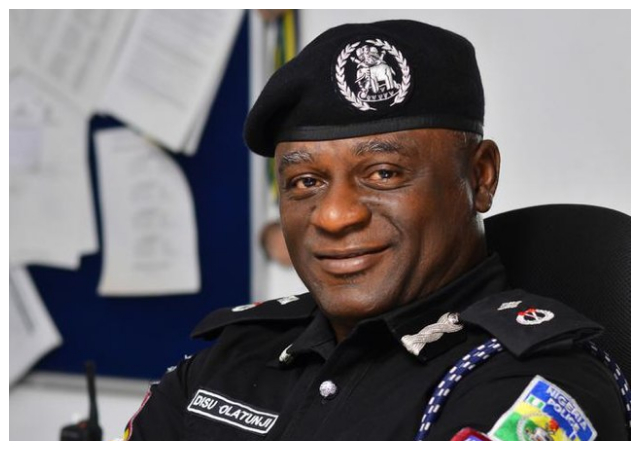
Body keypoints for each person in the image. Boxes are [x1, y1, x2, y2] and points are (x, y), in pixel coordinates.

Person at [122, 19, 629, 441]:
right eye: (306, 181)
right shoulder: (228, 361)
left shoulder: (534, 391)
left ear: (480, 177)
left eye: (384, 174)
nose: (334, 216)